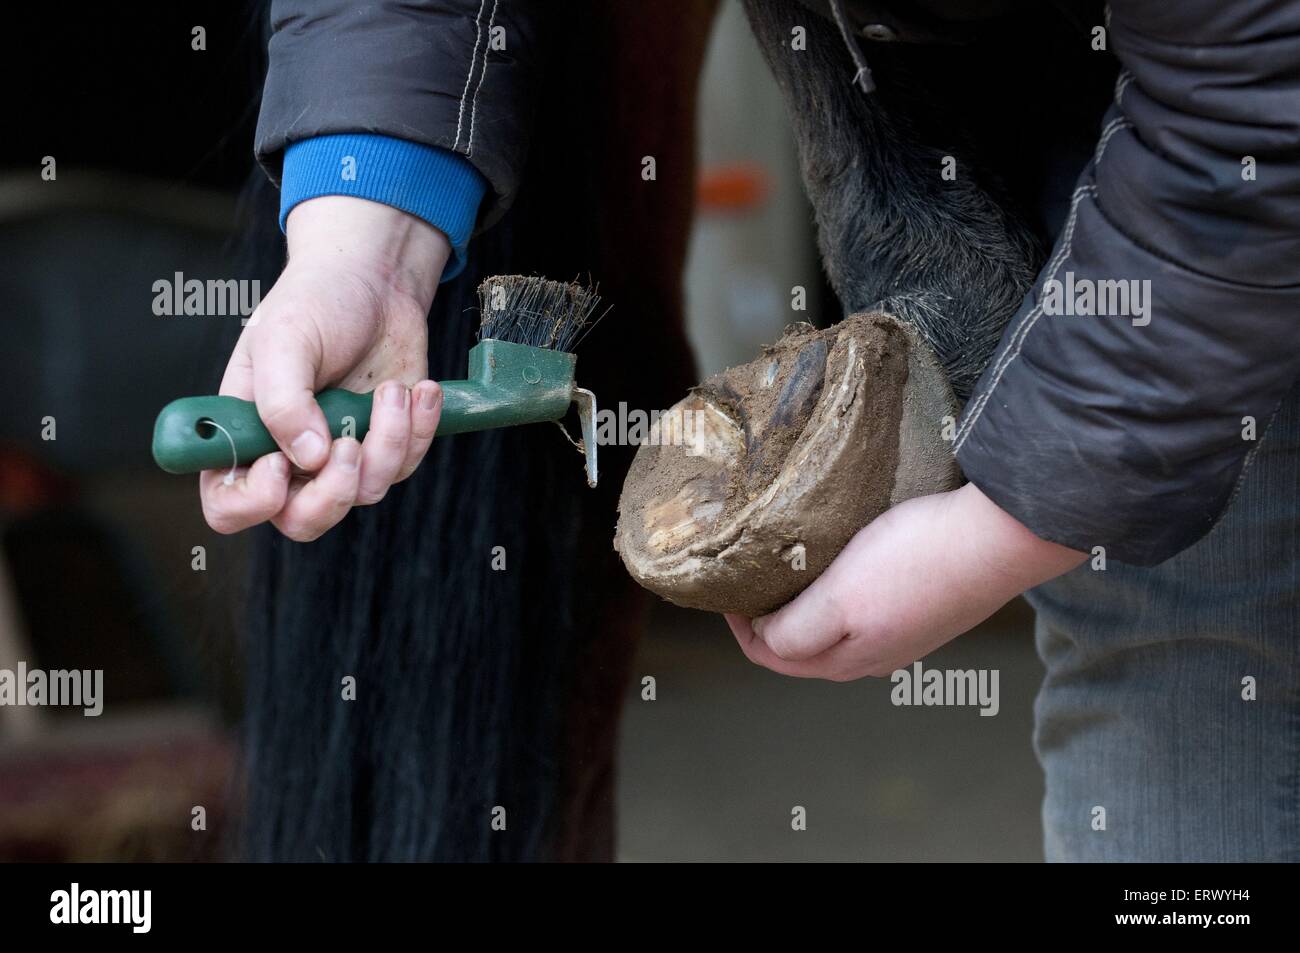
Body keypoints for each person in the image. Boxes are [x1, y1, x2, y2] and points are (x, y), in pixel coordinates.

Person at [210, 0, 1300, 861]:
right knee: (1159, 607)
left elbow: (1255, 109)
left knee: (1197, 584)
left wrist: (1010, 527)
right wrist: (363, 237)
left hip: (1218, 119)